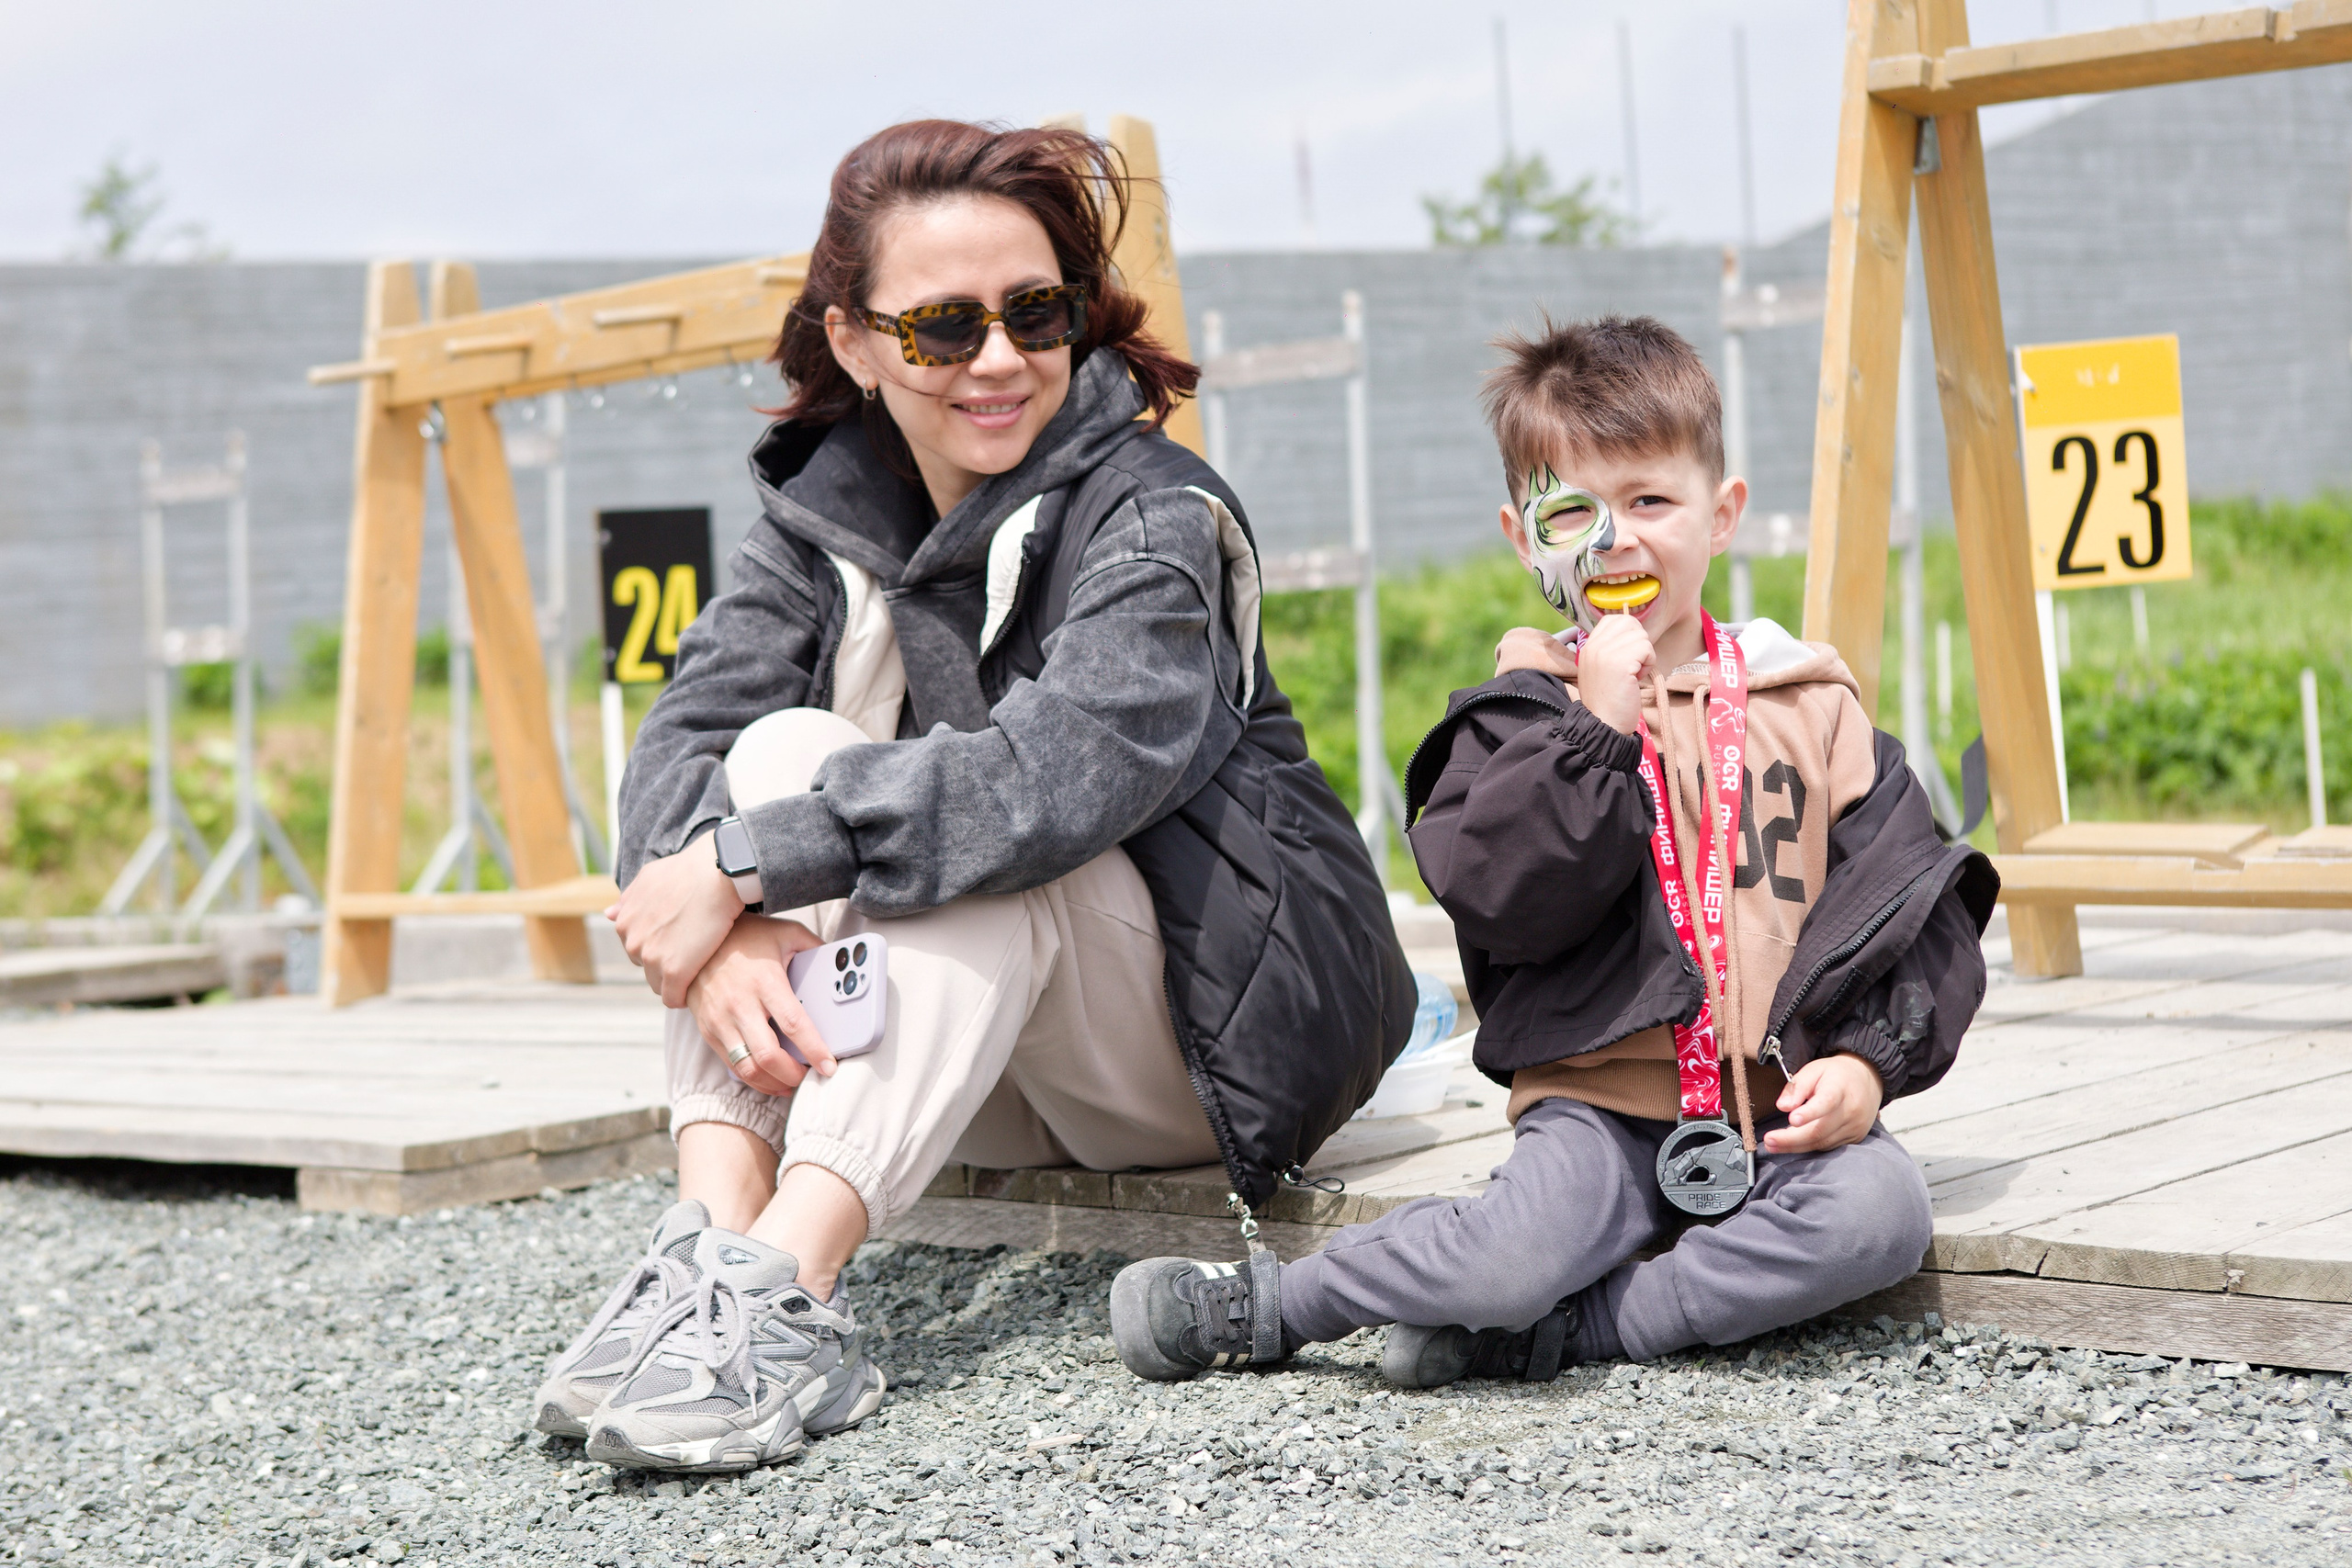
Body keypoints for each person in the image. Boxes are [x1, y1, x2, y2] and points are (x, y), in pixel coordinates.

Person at [530, 119, 1412, 1472]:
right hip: (962, 1043)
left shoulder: (1155, 516)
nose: (999, 359)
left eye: (1035, 311)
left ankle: (791, 1292)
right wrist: (730, 918)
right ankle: (710, 1254)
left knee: (972, 837)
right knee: (771, 755)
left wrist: (743, 869)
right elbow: (685, 737)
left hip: (1199, 1049)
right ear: (858, 342)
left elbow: (1051, 777)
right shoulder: (819, 525)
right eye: (944, 326)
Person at [1110, 315, 1996, 1386]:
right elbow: (1499, 895)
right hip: (1598, 1110)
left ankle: (1578, 1330)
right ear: (1524, 538)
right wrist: (1595, 736)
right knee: (1509, 1255)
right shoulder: (1519, 719)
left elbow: (1918, 904)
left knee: (1878, 1214)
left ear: (1721, 518)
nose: (1614, 538)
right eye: (1574, 510)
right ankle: (1275, 1303)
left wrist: (1867, 1060)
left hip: (1774, 1109)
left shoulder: (1805, 703)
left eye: (1650, 502)